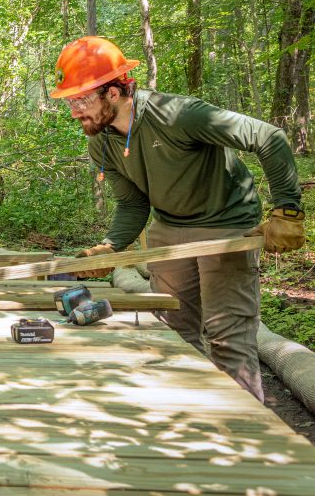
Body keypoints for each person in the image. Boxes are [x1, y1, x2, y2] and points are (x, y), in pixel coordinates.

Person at [50, 36, 305, 401]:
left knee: (227, 336)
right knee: (168, 330)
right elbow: (134, 204)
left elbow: (269, 137)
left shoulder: (178, 115)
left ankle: (244, 434)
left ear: (113, 93)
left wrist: (288, 210)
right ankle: (187, 415)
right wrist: (109, 247)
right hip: (170, 227)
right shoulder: (101, 142)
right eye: (70, 101)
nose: (74, 110)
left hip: (226, 225)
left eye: (81, 99)